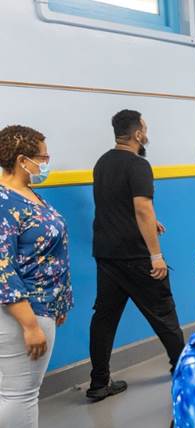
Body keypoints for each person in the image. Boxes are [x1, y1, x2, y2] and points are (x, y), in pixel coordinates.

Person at [87, 110, 184, 401]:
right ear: (138, 134)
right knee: (165, 315)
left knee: (103, 319)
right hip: (136, 257)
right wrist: (156, 254)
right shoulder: (138, 165)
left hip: (107, 256)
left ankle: (99, 383)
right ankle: (184, 371)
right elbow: (141, 207)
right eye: (145, 127)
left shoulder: (102, 162)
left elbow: (115, 204)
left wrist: (149, 221)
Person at [0, 125, 73, 427]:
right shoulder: (4, 201)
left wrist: (61, 303)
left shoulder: (27, 193)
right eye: (43, 157)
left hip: (44, 306)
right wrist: (29, 324)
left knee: (17, 393)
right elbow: (2, 268)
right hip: (23, 312)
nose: (45, 163)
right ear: (22, 160)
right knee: (20, 395)